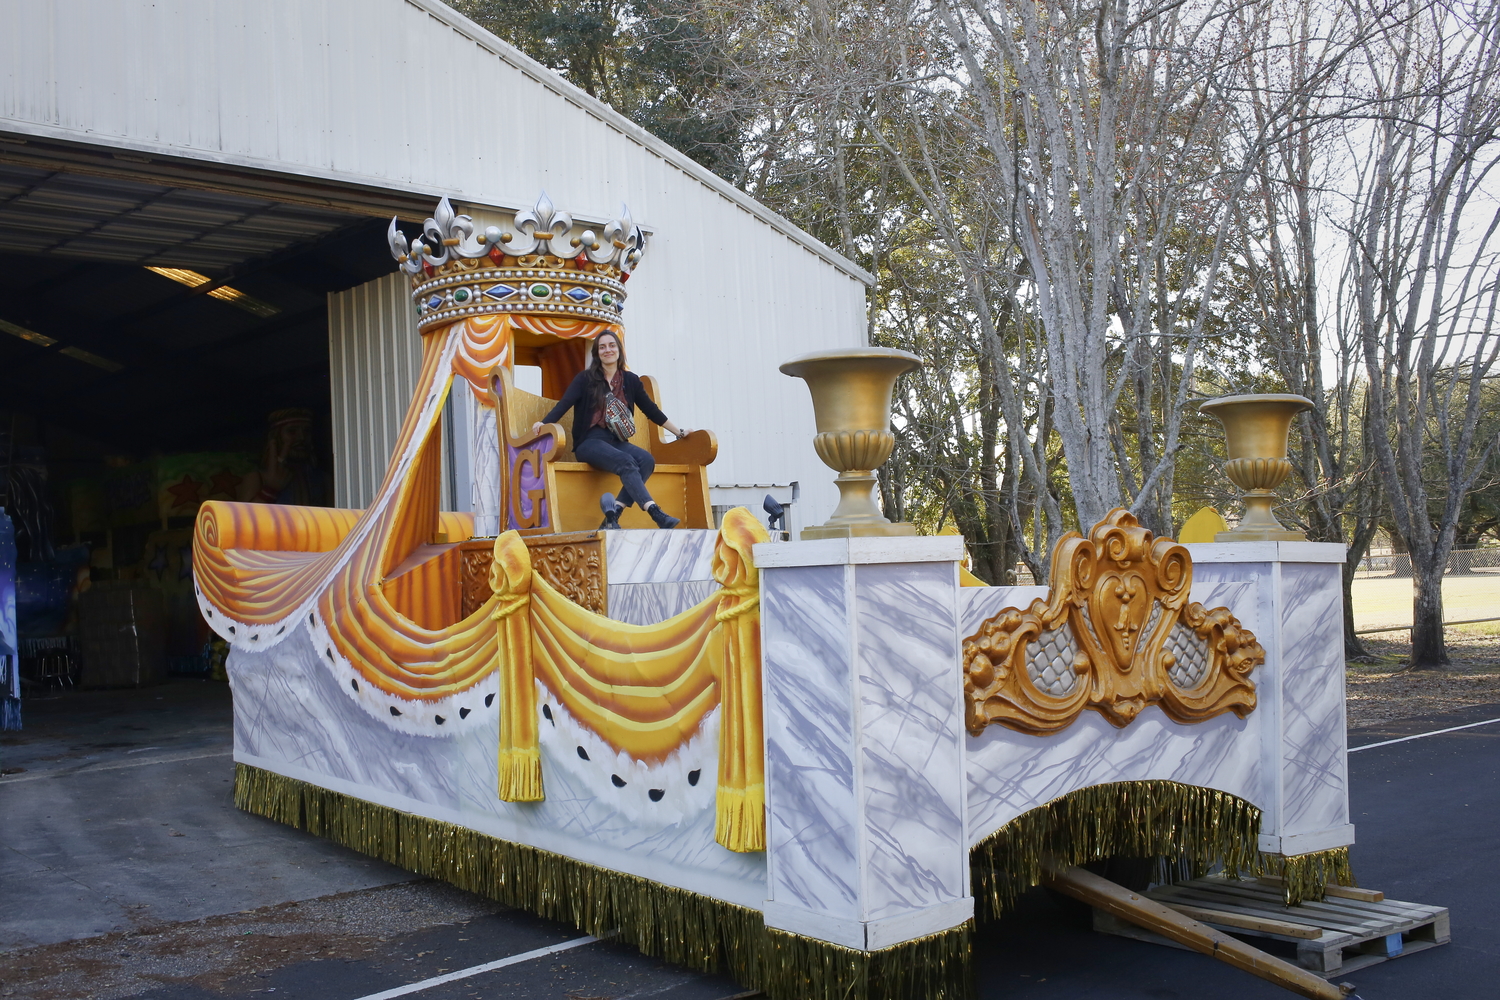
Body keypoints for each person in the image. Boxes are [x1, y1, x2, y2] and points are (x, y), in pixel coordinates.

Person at [533, 332, 690, 530]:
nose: (608, 350)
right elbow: (564, 404)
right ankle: (654, 511)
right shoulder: (585, 379)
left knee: (646, 460)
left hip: (617, 441)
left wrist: (679, 432)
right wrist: (543, 423)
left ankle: (613, 514)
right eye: (602, 347)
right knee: (627, 462)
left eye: (612, 345)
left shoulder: (631, 380)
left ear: (619, 350)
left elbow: (652, 411)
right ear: (597, 353)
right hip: (589, 442)